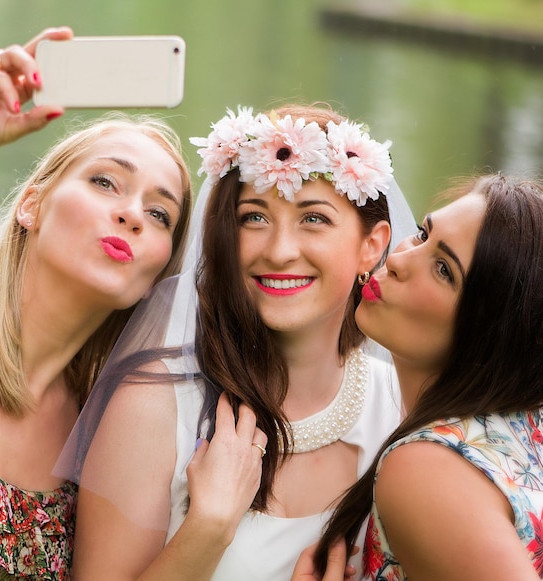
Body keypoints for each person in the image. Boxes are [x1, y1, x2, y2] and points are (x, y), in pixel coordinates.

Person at [59, 104, 416, 580]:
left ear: (372, 246)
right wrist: (208, 527)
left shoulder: (402, 412)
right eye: (254, 218)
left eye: (314, 219)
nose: (279, 250)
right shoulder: (157, 405)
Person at [0, 27, 193, 580]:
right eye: (106, 182)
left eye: (160, 214)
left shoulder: (108, 431)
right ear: (31, 206)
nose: (133, 213)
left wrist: (210, 527)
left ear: (156, 276)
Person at [294, 173, 543, 580]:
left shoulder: (428, 468)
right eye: (423, 234)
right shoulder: (527, 425)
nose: (395, 260)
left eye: (444, 269)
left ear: (492, 329)